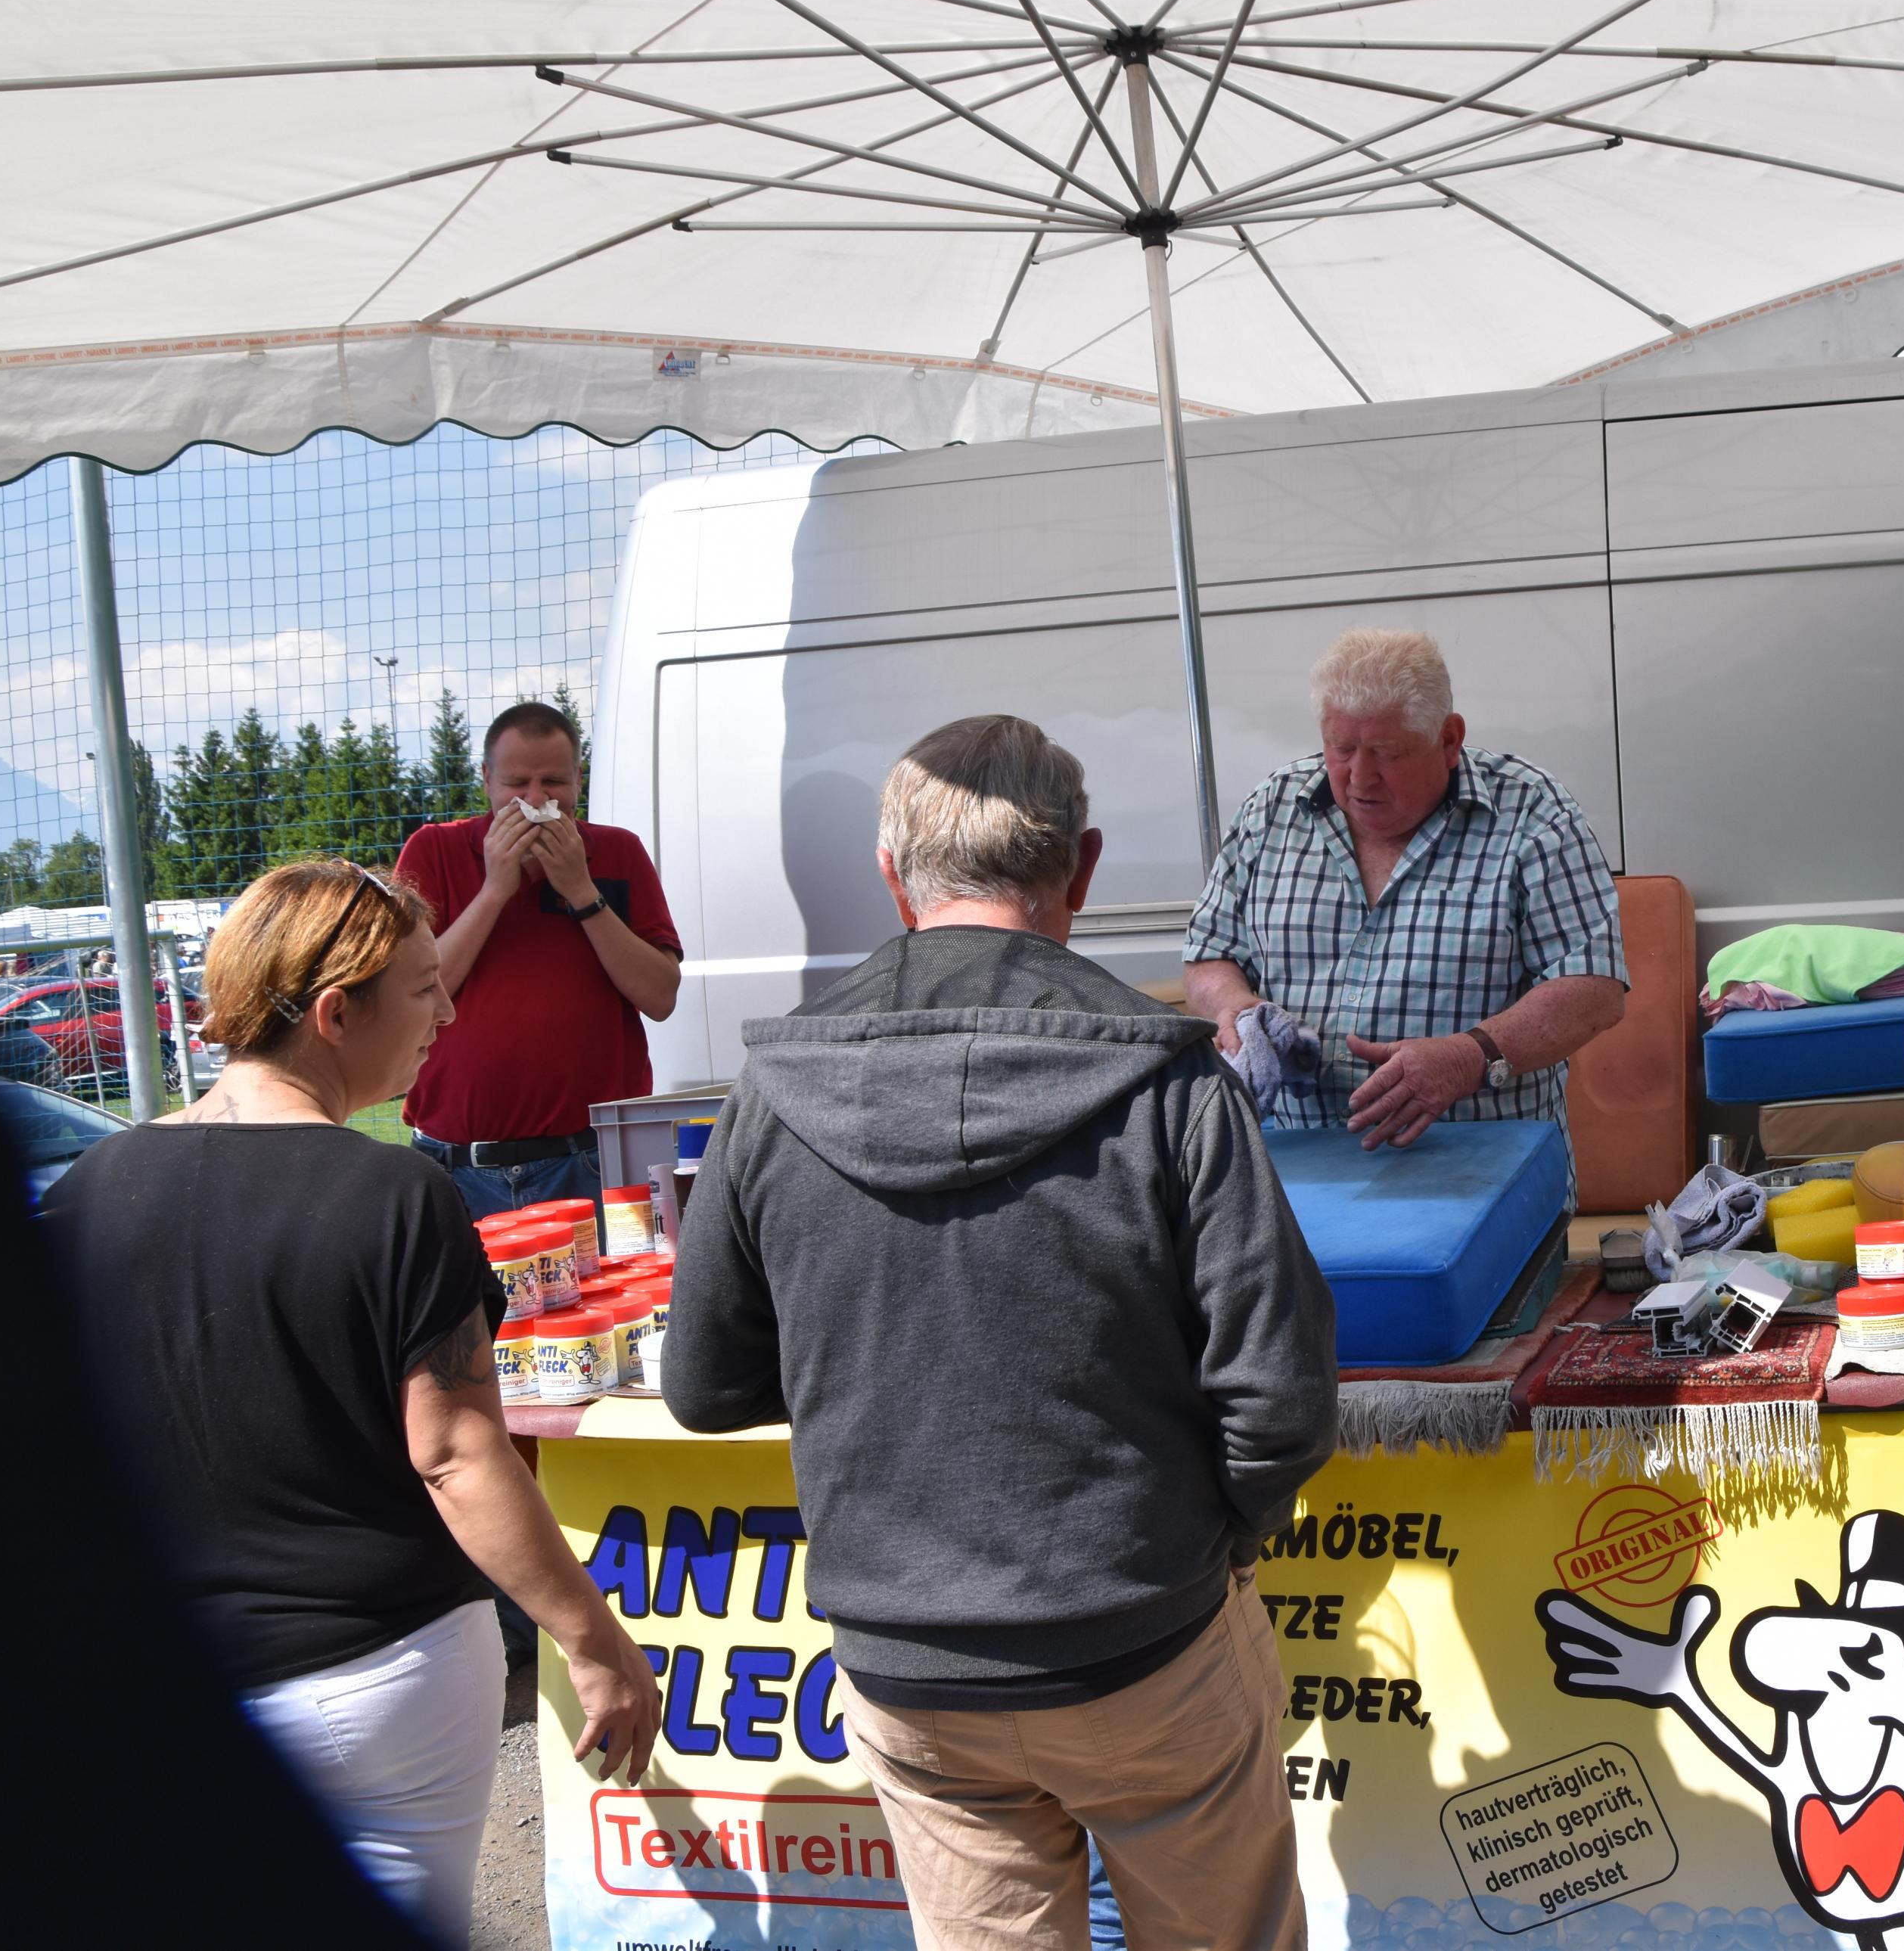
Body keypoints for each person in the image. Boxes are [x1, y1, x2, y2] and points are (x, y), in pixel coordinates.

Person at [666, 715, 1336, 1951]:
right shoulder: (1170, 1080)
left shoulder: (774, 1087)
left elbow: (706, 1383)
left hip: (914, 1659)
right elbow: (1282, 1396)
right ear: (1081, 868)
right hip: (1145, 1632)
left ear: (891, 876)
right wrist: (1222, 1541)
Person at [40, 857, 661, 1946]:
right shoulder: (396, 1193)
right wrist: (592, 1638)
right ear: (335, 1013)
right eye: (425, 989)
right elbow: (456, 1454)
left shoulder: (91, 1185)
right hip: (378, 1668)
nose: (448, 1013)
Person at [1185, 626, 1628, 1148]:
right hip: (1295, 1168)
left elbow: (1592, 990)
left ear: (1449, 740)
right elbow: (1211, 955)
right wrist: (1235, 1009)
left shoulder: (1531, 813)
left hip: (1481, 1167)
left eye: (1387, 753)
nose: (1359, 778)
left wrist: (1469, 1056)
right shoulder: (1271, 809)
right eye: (1341, 748)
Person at [396, 699, 680, 1216]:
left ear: (578, 782)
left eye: (553, 782)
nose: (535, 800)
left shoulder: (618, 852)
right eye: (516, 783)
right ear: (487, 780)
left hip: (590, 1159)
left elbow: (660, 997)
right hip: (458, 1165)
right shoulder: (433, 850)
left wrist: (581, 890)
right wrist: (495, 890)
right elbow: (413, 993)